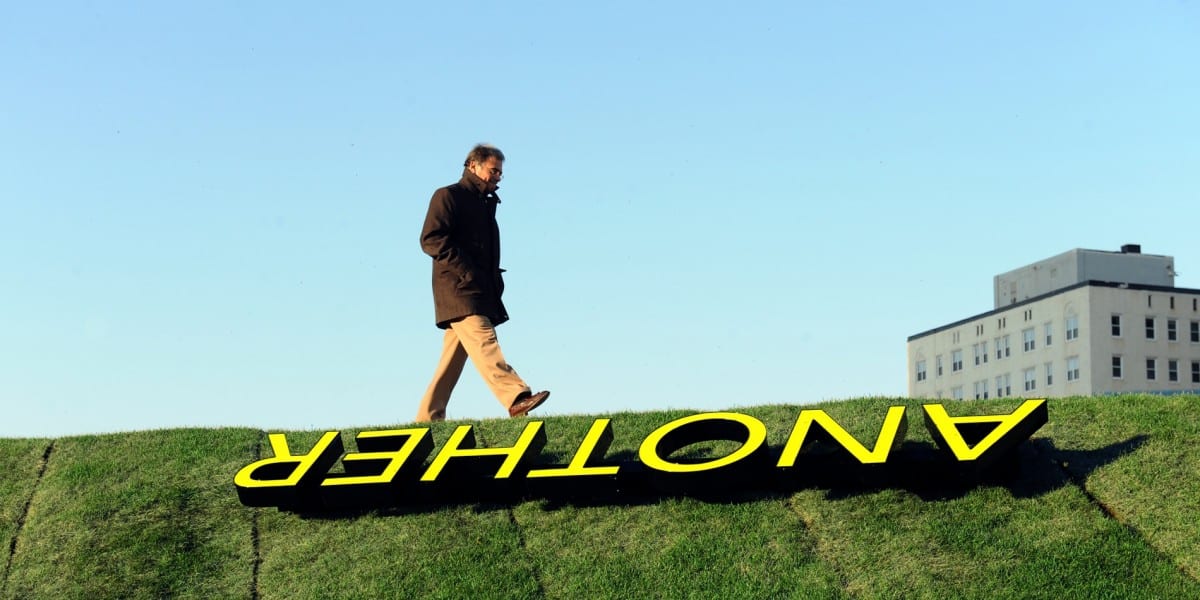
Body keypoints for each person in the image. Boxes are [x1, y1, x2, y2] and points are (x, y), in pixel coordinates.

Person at [415, 144, 550, 422]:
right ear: (472, 165)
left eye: (500, 172)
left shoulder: (483, 203)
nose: (498, 177)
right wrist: (467, 273)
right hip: (460, 291)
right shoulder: (448, 196)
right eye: (493, 170)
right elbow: (431, 239)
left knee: (450, 363)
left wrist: (491, 281)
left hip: (476, 290)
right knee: (486, 342)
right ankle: (516, 397)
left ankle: (426, 419)